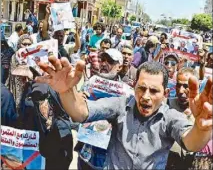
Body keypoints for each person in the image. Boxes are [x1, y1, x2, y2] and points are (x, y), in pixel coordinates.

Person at [36, 59, 212, 170]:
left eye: (154, 91)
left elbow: (190, 142)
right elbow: (81, 113)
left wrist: (202, 128)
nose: (146, 97)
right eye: (141, 88)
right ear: (134, 85)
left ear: (166, 93)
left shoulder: (170, 117)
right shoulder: (120, 105)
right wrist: (66, 91)